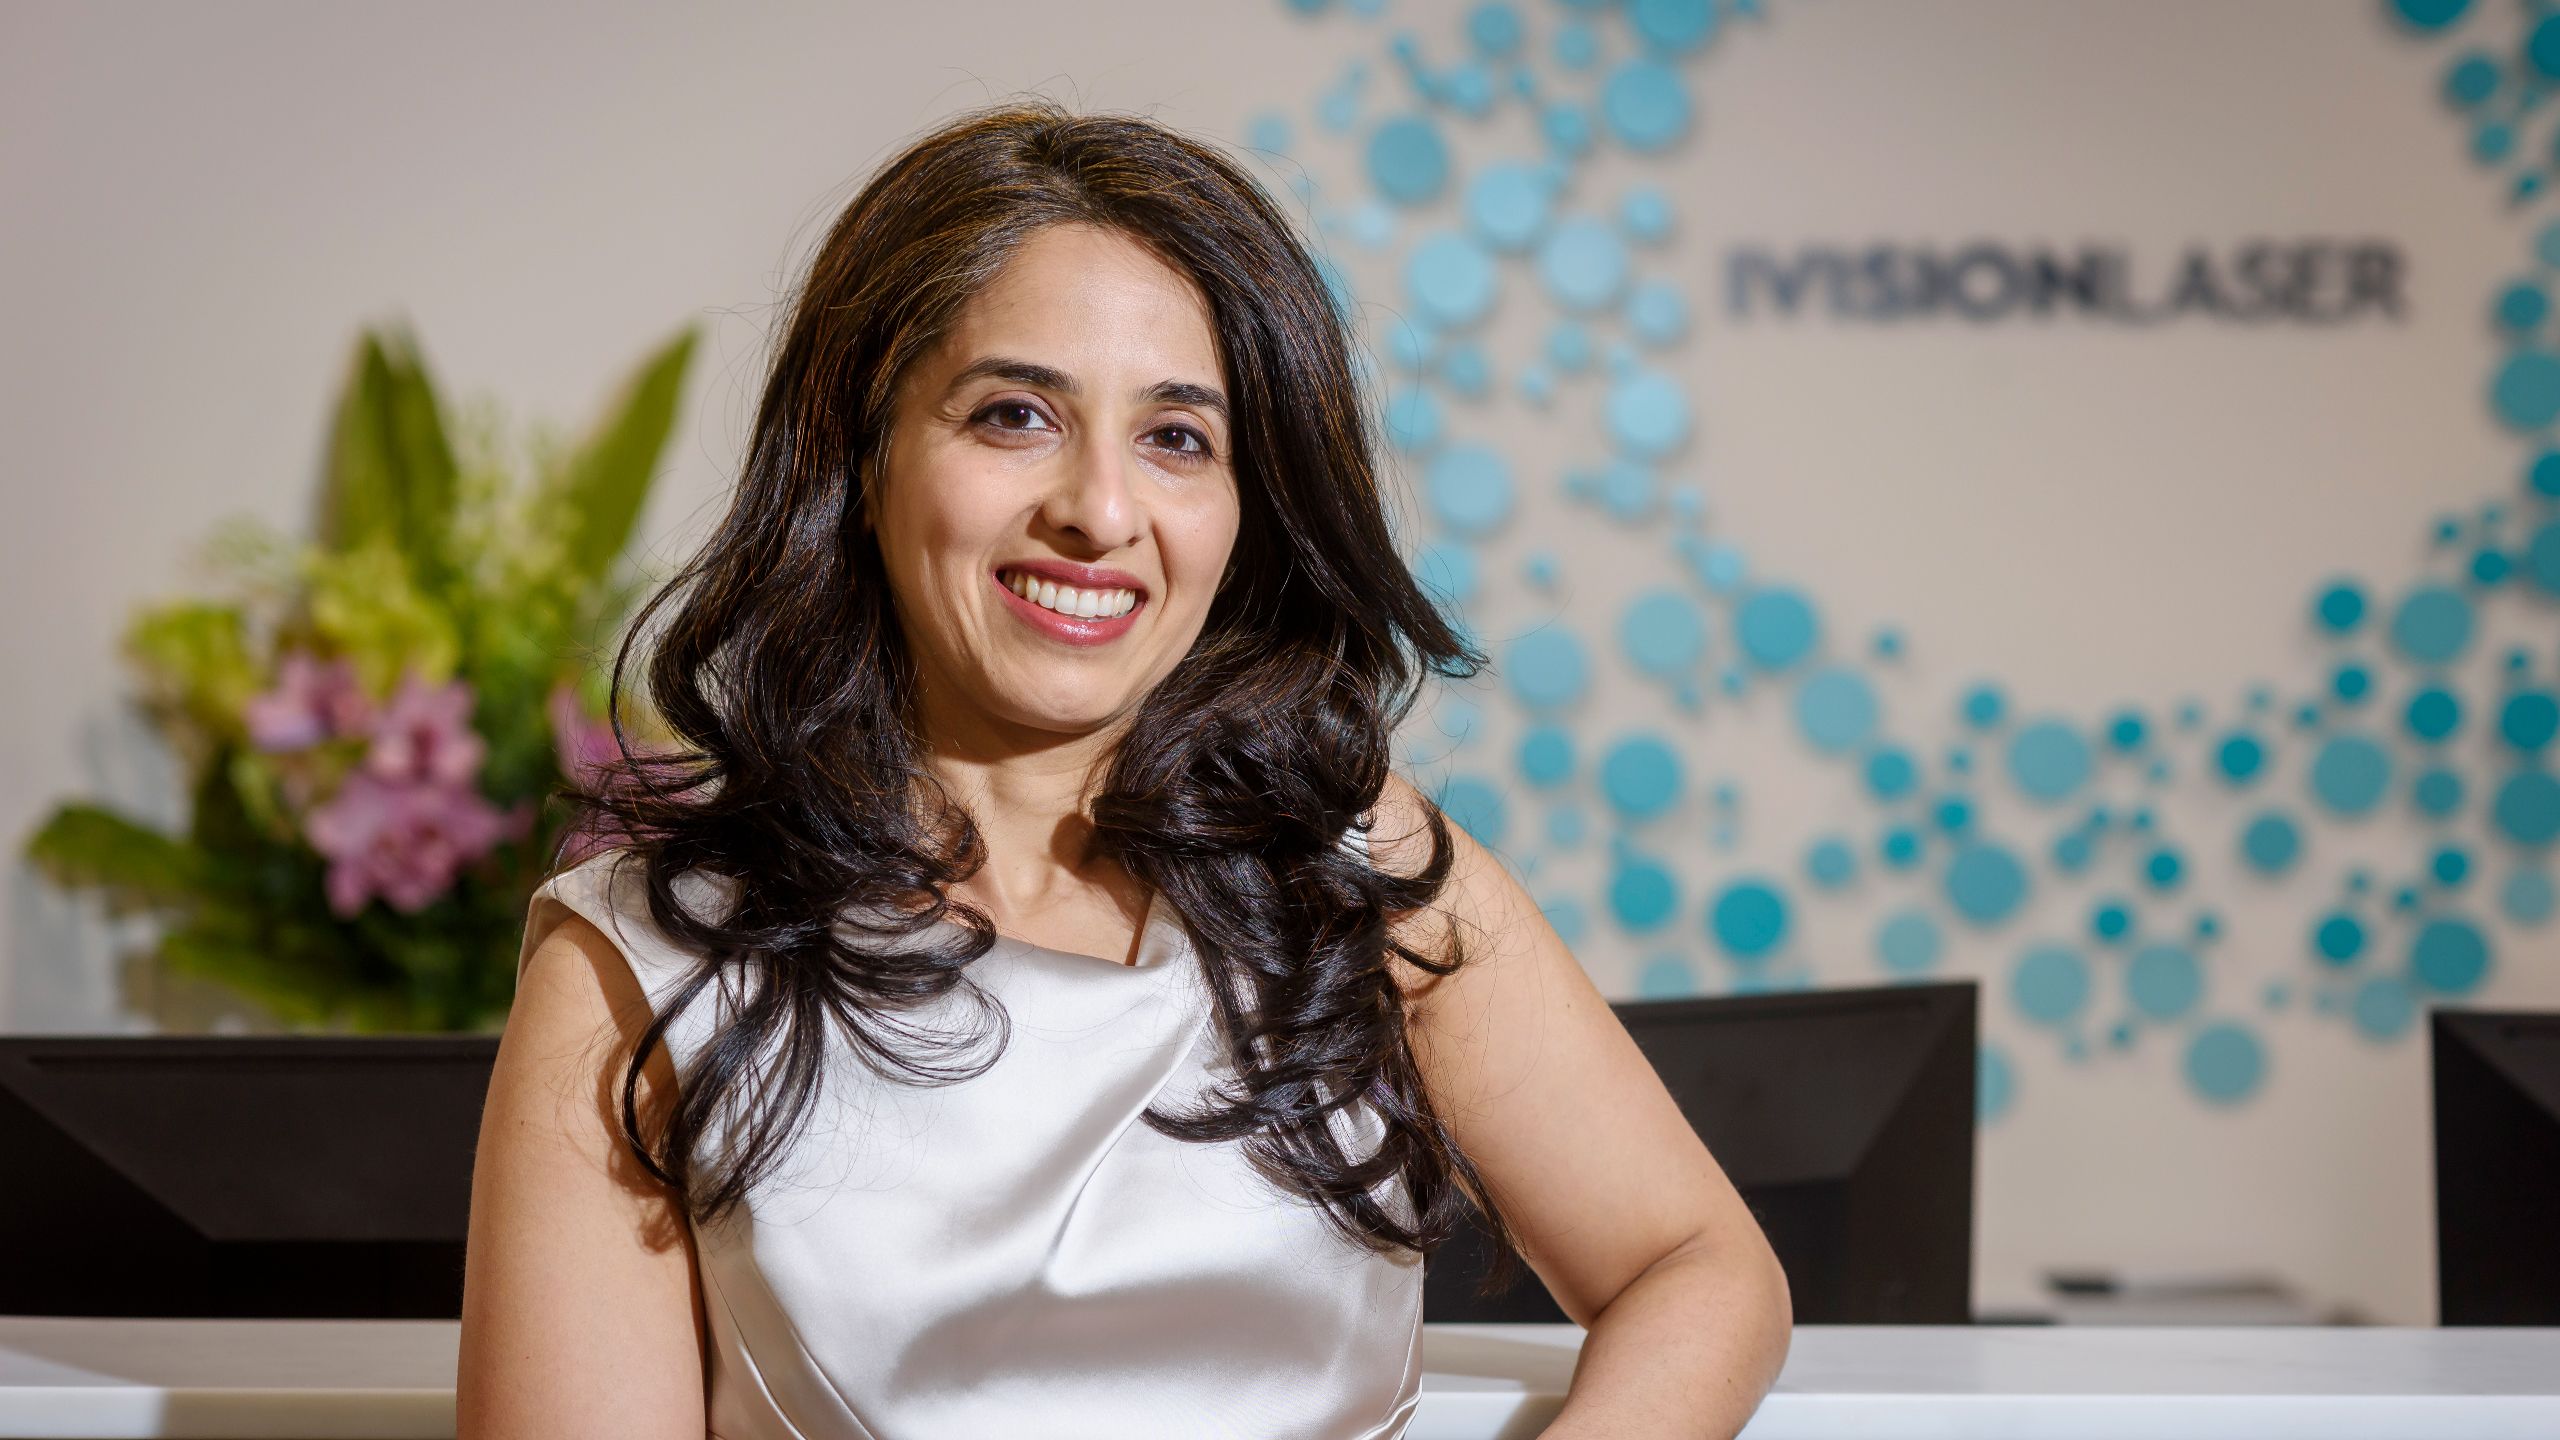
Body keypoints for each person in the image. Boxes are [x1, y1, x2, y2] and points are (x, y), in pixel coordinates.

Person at [456, 98, 1790, 1440]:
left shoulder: (1356, 867)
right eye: (1016, 415)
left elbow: (1700, 1271)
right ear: (861, 459)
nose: (1099, 512)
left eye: (1176, 439)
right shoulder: (640, 965)